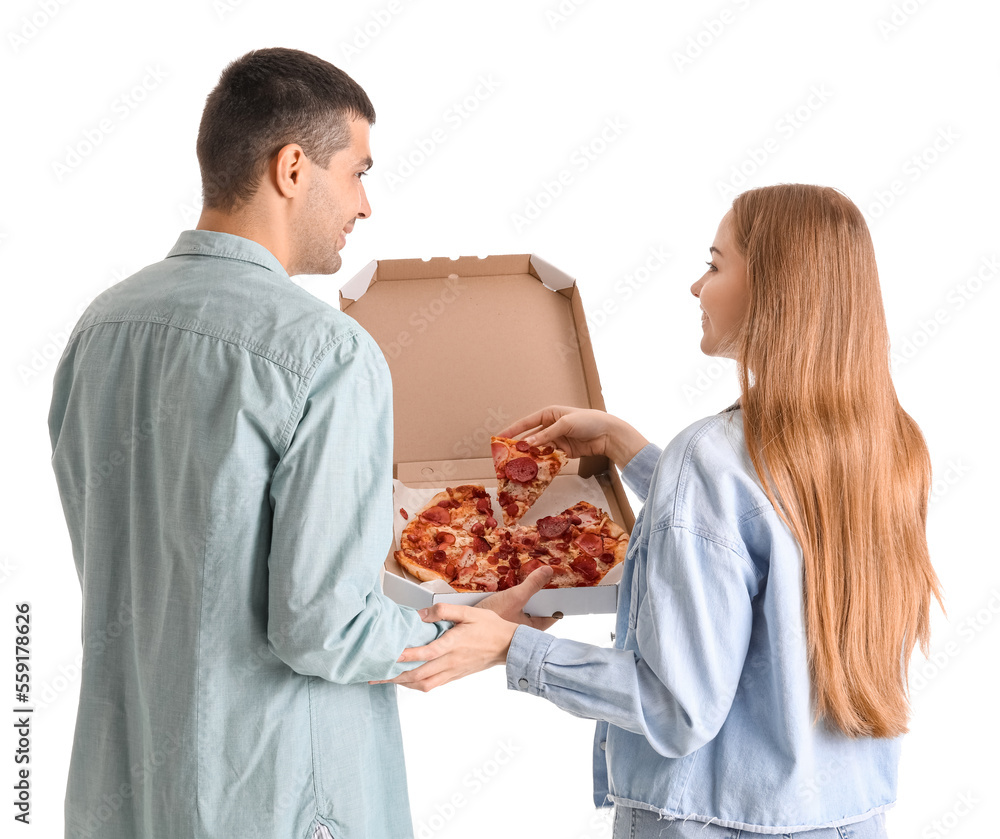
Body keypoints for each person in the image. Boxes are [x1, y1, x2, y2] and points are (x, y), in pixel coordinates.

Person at [47, 48, 549, 839]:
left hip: (125, 787)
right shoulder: (326, 350)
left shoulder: (103, 327)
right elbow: (324, 625)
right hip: (278, 797)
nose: (366, 206)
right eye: (357, 172)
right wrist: (472, 636)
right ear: (291, 168)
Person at [382, 184, 944, 837]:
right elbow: (775, 532)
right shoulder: (889, 444)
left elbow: (676, 706)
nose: (695, 287)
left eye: (714, 263)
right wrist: (632, 450)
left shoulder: (706, 460)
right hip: (849, 817)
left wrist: (515, 647)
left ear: (773, 287)